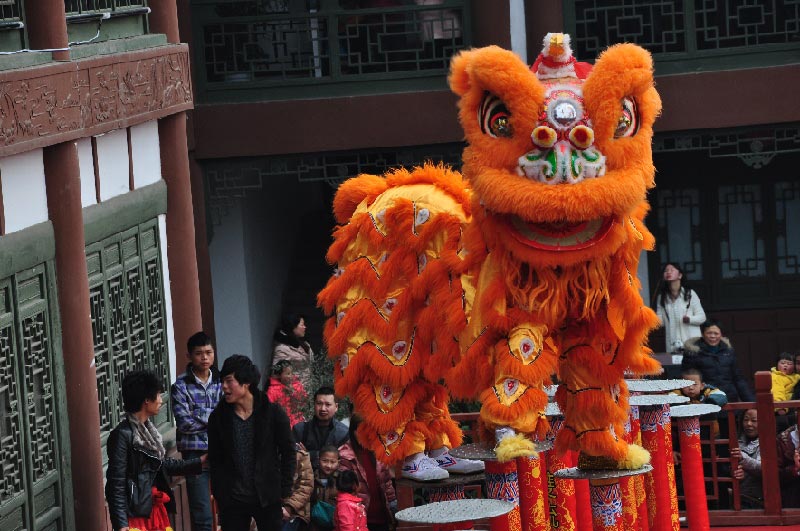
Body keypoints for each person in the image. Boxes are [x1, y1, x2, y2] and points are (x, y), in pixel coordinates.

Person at [106, 370, 203, 531]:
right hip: (135, 516)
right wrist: (122, 525)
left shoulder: (149, 432)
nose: (160, 400)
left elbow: (161, 465)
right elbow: (116, 484)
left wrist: (199, 462)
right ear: (146, 400)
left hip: (153, 509)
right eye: (157, 395)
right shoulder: (122, 435)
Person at [208, 354, 296, 530]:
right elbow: (215, 460)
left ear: (245, 382)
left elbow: (288, 453)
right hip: (232, 500)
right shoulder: (218, 418)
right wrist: (221, 494)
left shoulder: (272, 413)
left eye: (229, 381)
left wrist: (284, 491)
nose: (223, 387)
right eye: (222, 382)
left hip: (267, 497)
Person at [170, 331, 222, 531]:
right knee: (202, 513)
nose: (205, 358)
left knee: (228, 505)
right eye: (199, 353)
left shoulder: (221, 381)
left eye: (209, 352)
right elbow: (184, 423)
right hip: (194, 453)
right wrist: (215, 418)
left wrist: (199, 414)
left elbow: (229, 415)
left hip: (221, 450)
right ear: (189, 356)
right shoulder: (180, 386)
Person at [338, 417, 396, 531]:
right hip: (358, 520)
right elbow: (346, 491)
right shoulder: (346, 455)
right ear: (352, 432)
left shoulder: (379, 450)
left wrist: (393, 503)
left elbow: (387, 481)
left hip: (382, 517)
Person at [681, 319, 755, 403]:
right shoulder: (692, 352)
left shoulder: (728, 352)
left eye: (716, 333)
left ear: (721, 335)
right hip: (705, 400)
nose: (713, 336)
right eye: (709, 333)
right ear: (703, 334)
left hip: (729, 398)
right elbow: (687, 379)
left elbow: (738, 378)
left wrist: (751, 402)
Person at [653, 263, 707, 352]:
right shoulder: (661, 297)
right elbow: (661, 322)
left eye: (672, 270)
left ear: (680, 275)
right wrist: (648, 318)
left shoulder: (690, 294)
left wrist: (689, 319)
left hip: (691, 343)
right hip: (672, 344)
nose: (668, 272)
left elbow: (702, 317)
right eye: (666, 270)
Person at [294, 386, 350, 470]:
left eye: (328, 404)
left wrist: (309, 455)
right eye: (319, 403)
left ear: (336, 407)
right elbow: (293, 458)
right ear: (314, 404)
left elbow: (343, 462)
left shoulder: (343, 433)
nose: (323, 408)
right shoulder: (300, 430)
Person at [273, 313, 315, 392]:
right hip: (294, 394)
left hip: (308, 390)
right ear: (293, 326)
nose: (305, 327)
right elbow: (276, 375)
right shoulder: (282, 349)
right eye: (302, 325)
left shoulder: (304, 344)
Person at [731, 408, 762, 509]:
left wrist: (743, 457)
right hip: (737, 493)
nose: (749, 424)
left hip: (759, 496)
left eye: (754, 421)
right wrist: (734, 472)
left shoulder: (769, 441)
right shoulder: (736, 440)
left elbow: (762, 466)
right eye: (746, 420)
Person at [268, 359, 310, 427]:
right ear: (278, 375)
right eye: (288, 374)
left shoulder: (297, 385)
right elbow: (269, 409)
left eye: (292, 373)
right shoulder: (273, 390)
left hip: (298, 421)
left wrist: (293, 393)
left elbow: (304, 402)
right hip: (282, 424)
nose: (291, 376)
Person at [282, 443, 314, 531]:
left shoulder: (300, 456)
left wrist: (289, 507)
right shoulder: (265, 453)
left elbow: (306, 486)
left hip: (295, 510)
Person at [310, 446, 340, 531]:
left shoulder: (341, 480)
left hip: (334, 524)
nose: (328, 465)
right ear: (318, 460)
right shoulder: (311, 478)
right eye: (325, 461)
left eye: (332, 462)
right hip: (314, 523)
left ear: (338, 462)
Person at [777, 412, 800, 508]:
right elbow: (776, 475)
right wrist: (795, 469)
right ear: (797, 414)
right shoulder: (782, 440)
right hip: (792, 497)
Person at [772, 352, 800, 430]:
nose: (785, 365)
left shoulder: (795, 376)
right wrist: (780, 407)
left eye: (789, 364)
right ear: (777, 364)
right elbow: (777, 392)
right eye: (782, 363)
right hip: (782, 407)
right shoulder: (776, 377)